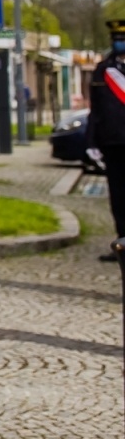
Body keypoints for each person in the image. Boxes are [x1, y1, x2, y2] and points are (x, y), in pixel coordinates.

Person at [88, 18, 125, 261]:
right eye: (116, 40)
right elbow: (96, 110)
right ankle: (122, 242)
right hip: (114, 143)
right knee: (119, 197)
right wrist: (91, 142)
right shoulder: (103, 70)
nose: (119, 44)